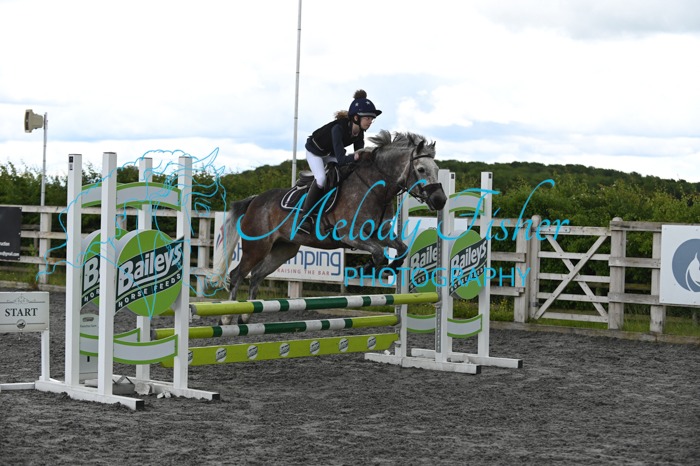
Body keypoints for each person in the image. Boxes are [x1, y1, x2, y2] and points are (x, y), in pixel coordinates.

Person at [299, 89, 382, 233]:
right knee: (321, 179)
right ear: (356, 117)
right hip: (315, 153)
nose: (370, 122)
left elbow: (358, 158)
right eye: (367, 118)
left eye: (371, 119)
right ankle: (305, 218)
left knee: (345, 174)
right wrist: (355, 157)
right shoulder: (338, 128)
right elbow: (344, 159)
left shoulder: (359, 133)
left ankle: (334, 214)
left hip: (329, 154)